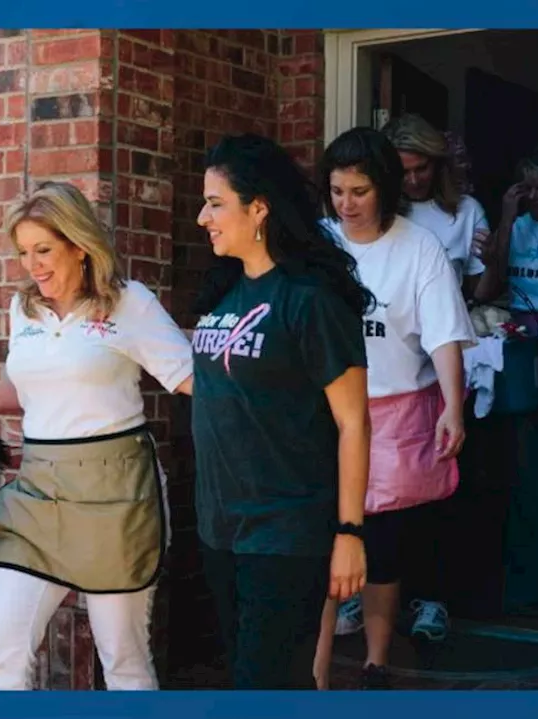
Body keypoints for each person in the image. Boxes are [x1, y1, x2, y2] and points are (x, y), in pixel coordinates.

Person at [0, 181, 194, 691]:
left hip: (115, 496)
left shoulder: (127, 303)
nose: (33, 265)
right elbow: (34, 389)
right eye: (24, 252)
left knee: (123, 660)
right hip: (40, 495)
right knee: (2, 648)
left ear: (78, 244)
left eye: (44, 250)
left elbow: (190, 378)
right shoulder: (23, 310)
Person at [189, 133, 372, 690]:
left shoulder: (310, 299)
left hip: (287, 530)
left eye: (216, 203)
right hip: (221, 526)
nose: (203, 217)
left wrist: (349, 533)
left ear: (260, 207)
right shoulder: (222, 292)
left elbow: (354, 422)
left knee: (264, 682)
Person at [311, 127, 475, 690]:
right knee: (323, 542)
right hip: (327, 417)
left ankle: (377, 661)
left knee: (382, 549)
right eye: (336, 191)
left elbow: (444, 335)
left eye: (358, 191)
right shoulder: (318, 244)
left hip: (396, 412)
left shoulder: (418, 246)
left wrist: (453, 406)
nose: (346, 205)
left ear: (384, 187)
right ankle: (317, 671)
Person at [474, 146, 538, 613]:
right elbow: (486, 289)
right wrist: (508, 218)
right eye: (528, 187)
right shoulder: (515, 225)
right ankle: (527, 590)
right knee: (524, 475)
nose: (537, 197)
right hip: (521, 351)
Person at [383, 113, 500, 299]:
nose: (413, 181)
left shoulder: (468, 211)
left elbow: (480, 296)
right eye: (403, 172)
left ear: (438, 164)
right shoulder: (377, 211)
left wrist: (492, 262)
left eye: (421, 168)